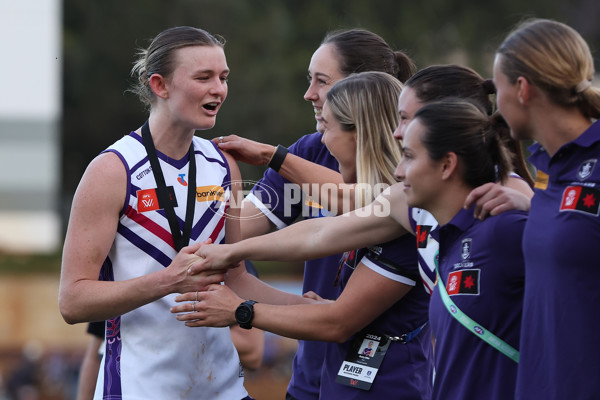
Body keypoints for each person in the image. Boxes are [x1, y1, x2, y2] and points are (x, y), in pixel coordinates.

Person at [58, 26, 300, 400]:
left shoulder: (222, 165)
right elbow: (73, 301)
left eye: (223, 78)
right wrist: (168, 281)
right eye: (203, 77)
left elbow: (237, 279)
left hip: (223, 388)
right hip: (140, 388)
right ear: (160, 85)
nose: (218, 89)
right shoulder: (113, 169)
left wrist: (316, 310)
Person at [174, 71, 433, 399]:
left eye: (327, 127)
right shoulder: (391, 201)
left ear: (360, 132)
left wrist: (241, 310)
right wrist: (230, 252)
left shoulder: (408, 205)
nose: (321, 140)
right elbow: (319, 233)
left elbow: (338, 322)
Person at [493, 18, 600, 399]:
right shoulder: (547, 168)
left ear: (522, 89)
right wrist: (534, 203)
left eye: (498, 88)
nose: (496, 104)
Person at [395, 99, 527, 399]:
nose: (398, 171)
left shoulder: (504, 230)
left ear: (447, 165)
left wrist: (539, 209)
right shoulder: (451, 240)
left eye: (409, 157)